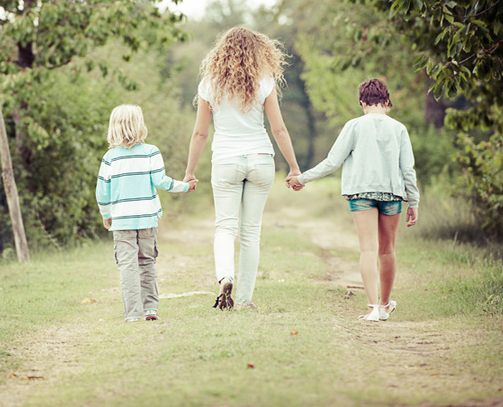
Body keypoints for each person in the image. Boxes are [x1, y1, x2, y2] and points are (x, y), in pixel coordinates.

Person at [184, 26, 302, 311]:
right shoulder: (264, 82)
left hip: (225, 160)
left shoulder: (209, 85)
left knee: (225, 227)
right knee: (251, 232)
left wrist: (189, 172)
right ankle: (245, 300)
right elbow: (279, 129)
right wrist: (294, 167)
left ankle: (225, 276)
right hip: (261, 158)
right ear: (257, 50)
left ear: (220, 52)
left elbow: (200, 134)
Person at [286, 78, 419, 322]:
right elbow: (407, 169)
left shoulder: (354, 126)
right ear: (387, 100)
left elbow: (332, 162)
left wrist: (302, 179)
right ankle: (385, 305)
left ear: (362, 102)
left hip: (361, 194)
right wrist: (414, 201)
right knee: (387, 250)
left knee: (368, 249)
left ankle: (373, 309)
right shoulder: (399, 128)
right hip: (392, 194)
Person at [96, 104, 196, 322]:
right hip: (147, 219)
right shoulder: (151, 152)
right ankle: (150, 308)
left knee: (128, 266)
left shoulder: (110, 158)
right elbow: (162, 182)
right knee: (147, 262)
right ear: (140, 125)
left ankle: (132, 314)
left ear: (114, 128)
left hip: (121, 221)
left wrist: (106, 215)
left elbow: (102, 192)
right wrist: (185, 186)